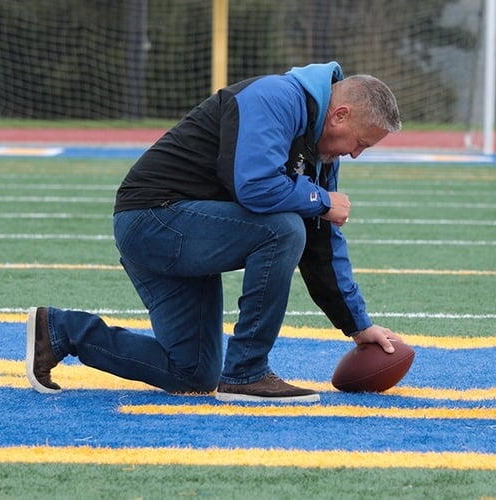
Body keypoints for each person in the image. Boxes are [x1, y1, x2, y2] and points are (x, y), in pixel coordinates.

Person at [26, 61, 402, 403]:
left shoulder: (319, 149)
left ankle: (62, 330)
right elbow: (254, 186)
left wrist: (358, 325)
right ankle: (246, 371)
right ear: (340, 114)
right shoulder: (276, 97)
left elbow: (321, 242)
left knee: (191, 374)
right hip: (152, 219)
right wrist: (321, 200)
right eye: (361, 143)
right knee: (282, 230)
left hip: (185, 229)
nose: (355, 155)